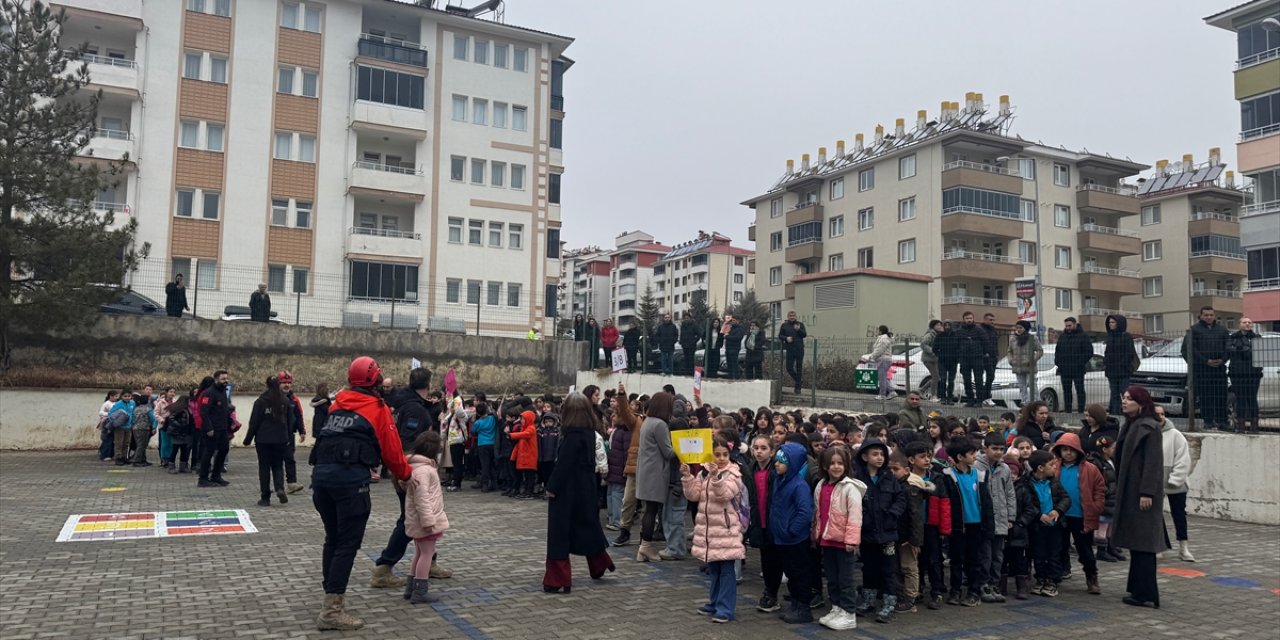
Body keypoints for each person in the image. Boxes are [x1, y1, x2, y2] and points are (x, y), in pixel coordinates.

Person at [309, 356, 412, 631]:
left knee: (332, 539)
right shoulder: (377, 409)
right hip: (350, 483)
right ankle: (331, 610)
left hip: (320, 480)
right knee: (347, 545)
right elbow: (392, 451)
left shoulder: (337, 404)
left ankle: (330, 595)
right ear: (376, 380)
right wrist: (407, 476)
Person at [543, 393, 615, 592]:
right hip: (586, 488)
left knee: (559, 535)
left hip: (567, 492)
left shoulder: (572, 436)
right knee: (586, 525)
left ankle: (558, 579)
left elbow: (563, 466)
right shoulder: (589, 433)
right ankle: (600, 562)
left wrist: (551, 488)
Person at [1111, 385, 1167, 609]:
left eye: (1129, 399)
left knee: (1144, 544)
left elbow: (1153, 463)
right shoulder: (1130, 424)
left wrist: (1147, 492)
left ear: (1141, 403)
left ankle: (1147, 594)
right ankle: (1136, 589)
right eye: (1123, 398)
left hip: (1142, 494)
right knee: (1136, 543)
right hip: (1130, 490)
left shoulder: (1149, 427)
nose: (1124, 402)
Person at [681, 436, 745, 622]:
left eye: (725, 454)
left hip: (726, 530)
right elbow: (694, 496)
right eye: (717, 454)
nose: (722, 458)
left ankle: (725, 608)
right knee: (714, 569)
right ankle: (715, 602)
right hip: (709, 532)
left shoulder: (734, 474)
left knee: (726, 570)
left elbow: (724, 495)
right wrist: (687, 476)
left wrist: (716, 477)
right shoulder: (704, 473)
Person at [851, 437, 905, 622]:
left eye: (882, 454)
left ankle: (889, 603)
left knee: (889, 570)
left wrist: (892, 514)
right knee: (869, 568)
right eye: (875, 454)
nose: (880, 457)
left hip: (887, 534)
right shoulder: (858, 479)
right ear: (865, 457)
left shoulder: (888, 477)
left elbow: (900, 498)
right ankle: (868, 600)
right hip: (867, 534)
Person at [812, 446, 864, 630]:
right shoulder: (821, 485)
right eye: (832, 463)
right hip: (827, 539)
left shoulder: (850, 488)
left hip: (844, 542)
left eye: (840, 463)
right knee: (832, 577)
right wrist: (816, 534)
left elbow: (855, 517)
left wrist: (851, 540)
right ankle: (837, 607)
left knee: (846, 579)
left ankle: (849, 612)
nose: (836, 467)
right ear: (825, 465)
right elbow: (818, 513)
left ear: (846, 465)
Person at [942, 438, 994, 606]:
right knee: (956, 559)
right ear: (960, 457)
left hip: (977, 525)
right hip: (958, 526)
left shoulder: (979, 475)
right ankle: (955, 590)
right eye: (972, 453)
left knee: (974, 559)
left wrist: (989, 525)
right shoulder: (948, 476)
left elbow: (987, 502)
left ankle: (974, 591)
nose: (975, 456)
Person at [1051, 433, 1105, 595]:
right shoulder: (1054, 467)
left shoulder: (1090, 469)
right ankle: (1055, 576)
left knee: (1084, 549)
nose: (1068, 453)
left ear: (1079, 451)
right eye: (1065, 450)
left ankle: (1091, 576)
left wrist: (1096, 506)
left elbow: (1100, 489)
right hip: (1059, 514)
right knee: (1058, 547)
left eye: (1072, 450)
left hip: (1081, 516)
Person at [772, 441, 816, 624]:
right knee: (791, 573)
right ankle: (796, 604)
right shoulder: (779, 480)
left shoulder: (799, 486)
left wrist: (792, 530)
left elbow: (805, 512)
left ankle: (803, 608)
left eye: (782, 461)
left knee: (800, 574)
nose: (777, 464)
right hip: (782, 538)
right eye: (776, 460)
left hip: (795, 539)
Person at [404, 431, 449, 604]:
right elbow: (422, 498)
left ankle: (411, 587)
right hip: (425, 520)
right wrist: (428, 520)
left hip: (419, 519)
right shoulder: (424, 470)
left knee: (420, 552)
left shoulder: (417, 467)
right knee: (427, 554)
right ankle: (420, 591)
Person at [1022, 449, 1070, 597]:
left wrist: (1057, 511)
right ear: (1040, 468)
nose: (1055, 467)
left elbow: (1065, 498)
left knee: (1054, 554)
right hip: (1037, 527)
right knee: (1039, 554)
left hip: (1055, 526)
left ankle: (1052, 581)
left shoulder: (1054, 482)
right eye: (1051, 464)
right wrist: (1038, 515)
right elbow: (1027, 503)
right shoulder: (1027, 483)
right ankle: (1041, 579)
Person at [635, 392, 677, 561]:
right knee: (651, 511)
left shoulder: (647, 421)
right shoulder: (660, 424)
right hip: (655, 473)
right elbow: (668, 452)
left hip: (646, 471)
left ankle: (642, 549)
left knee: (649, 510)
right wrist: (685, 448)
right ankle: (646, 546)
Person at [244, 375, 296, 506]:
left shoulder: (261, 401)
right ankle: (280, 488)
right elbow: (291, 421)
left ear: (266, 385)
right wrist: (288, 437)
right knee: (278, 465)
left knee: (264, 467)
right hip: (280, 439)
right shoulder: (285, 400)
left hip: (263, 439)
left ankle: (265, 497)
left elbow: (254, 422)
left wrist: (248, 439)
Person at [976, 432, 1015, 601]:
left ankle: (994, 583)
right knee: (985, 554)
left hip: (1000, 519)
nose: (998, 452)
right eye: (994, 449)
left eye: (1001, 449)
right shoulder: (976, 467)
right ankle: (982, 584)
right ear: (985, 448)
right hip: (984, 519)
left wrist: (1010, 517)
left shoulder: (1004, 468)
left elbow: (1010, 494)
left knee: (998, 555)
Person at [1183, 307, 1230, 430]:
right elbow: (1188, 350)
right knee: (1206, 397)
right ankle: (1208, 421)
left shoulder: (1222, 330)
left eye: (1211, 315)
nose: (1209, 317)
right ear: (1201, 316)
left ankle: (1222, 422)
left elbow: (1229, 347)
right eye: (1206, 315)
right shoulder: (1194, 330)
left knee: (1221, 396)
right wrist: (1205, 361)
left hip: (1219, 369)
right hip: (1202, 370)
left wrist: (1223, 360)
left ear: (1214, 316)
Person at [888, 451, 924, 615]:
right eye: (890, 469)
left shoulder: (910, 489)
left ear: (907, 470)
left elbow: (915, 516)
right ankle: (899, 594)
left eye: (896, 469)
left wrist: (915, 540)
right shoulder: (892, 487)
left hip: (908, 538)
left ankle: (910, 598)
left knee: (909, 567)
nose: (892, 473)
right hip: (895, 536)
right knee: (895, 566)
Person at [1158, 405, 1194, 562]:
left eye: (1162, 414)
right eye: (1156, 414)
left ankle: (1183, 547)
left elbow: (1183, 459)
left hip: (1175, 482)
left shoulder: (1175, 435)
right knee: (1155, 515)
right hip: (1156, 482)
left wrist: (1175, 480)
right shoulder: (1149, 434)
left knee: (1179, 514)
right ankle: (1158, 546)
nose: (1160, 417)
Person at [198, 371, 233, 487]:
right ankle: (203, 478)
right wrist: (209, 428)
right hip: (211, 429)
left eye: (226, 379)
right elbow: (204, 412)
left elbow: (225, 410)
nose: (226, 381)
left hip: (222, 428)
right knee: (208, 452)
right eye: (223, 379)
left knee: (224, 449)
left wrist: (230, 423)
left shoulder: (223, 392)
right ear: (216, 380)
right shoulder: (209, 393)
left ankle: (216, 475)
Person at [1228, 318, 1263, 433]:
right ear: (1239, 324)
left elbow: (1260, 353)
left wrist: (1240, 350)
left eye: (1249, 322)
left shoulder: (1257, 337)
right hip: (1237, 373)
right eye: (1244, 322)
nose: (1247, 324)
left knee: (1252, 398)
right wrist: (1245, 349)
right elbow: (1229, 351)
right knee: (1241, 399)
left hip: (1253, 374)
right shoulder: (1233, 337)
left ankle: (1254, 425)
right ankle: (1241, 425)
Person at [1054, 317, 1093, 413]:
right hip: (1065, 370)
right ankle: (1068, 411)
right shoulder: (1062, 336)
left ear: (1075, 324)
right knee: (1066, 392)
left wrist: (1079, 363)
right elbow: (1057, 351)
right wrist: (1058, 363)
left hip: (1078, 369)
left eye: (1070, 325)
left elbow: (1089, 352)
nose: (1068, 328)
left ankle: (1080, 411)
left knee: (1080, 391)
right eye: (1066, 326)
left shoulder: (1083, 336)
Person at [1103, 315, 1139, 416]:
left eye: (1113, 322)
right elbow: (1107, 353)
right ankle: (1115, 414)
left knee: (1125, 394)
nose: (1111, 325)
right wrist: (1106, 364)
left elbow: (1129, 353)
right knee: (1114, 394)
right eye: (1109, 322)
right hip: (1112, 372)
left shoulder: (1126, 336)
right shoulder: (1110, 337)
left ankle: (1126, 413)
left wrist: (1121, 365)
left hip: (1123, 372)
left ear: (1119, 323)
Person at [1007, 321, 1043, 405]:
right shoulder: (1013, 339)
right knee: (1021, 386)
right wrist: (1011, 360)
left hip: (1029, 366)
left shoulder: (1033, 338)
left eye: (1020, 328)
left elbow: (1040, 351)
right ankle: (1024, 402)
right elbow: (1009, 351)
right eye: (1017, 327)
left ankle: (1036, 402)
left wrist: (1031, 359)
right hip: (1017, 366)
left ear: (1026, 328)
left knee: (1032, 384)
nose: (1018, 330)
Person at [954, 312, 985, 407]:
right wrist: (959, 354)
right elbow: (956, 344)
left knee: (978, 380)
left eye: (970, 318)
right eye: (967, 318)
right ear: (964, 319)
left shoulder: (979, 330)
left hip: (977, 358)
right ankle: (970, 400)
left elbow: (985, 342)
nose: (969, 320)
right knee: (966, 380)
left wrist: (985, 354)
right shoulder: (959, 331)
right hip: (964, 359)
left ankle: (979, 401)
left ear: (973, 318)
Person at [165, 391, 196, 474]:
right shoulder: (180, 409)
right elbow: (171, 418)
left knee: (184, 450)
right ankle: (171, 466)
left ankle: (183, 466)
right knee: (175, 449)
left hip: (184, 433)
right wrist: (179, 425)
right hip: (177, 432)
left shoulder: (186, 409)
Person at [779, 311, 808, 394]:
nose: (792, 317)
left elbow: (804, 335)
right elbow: (780, 336)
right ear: (788, 317)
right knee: (789, 368)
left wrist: (798, 330)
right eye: (790, 316)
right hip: (790, 349)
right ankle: (799, 380)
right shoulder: (784, 325)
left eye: (793, 316)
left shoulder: (800, 324)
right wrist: (786, 338)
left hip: (799, 349)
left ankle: (797, 388)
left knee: (799, 368)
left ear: (796, 316)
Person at [978, 313, 1000, 407]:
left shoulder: (993, 330)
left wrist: (996, 355)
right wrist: (984, 353)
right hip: (983, 357)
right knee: (981, 377)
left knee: (990, 377)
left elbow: (995, 344)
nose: (992, 322)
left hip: (993, 357)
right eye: (990, 320)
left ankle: (987, 397)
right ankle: (982, 397)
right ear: (985, 319)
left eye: (993, 320)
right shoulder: (980, 330)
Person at [936, 320, 959, 404]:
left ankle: (949, 397)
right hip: (942, 361)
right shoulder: (940, 336)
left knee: (951, 380)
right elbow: (935, 347)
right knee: (943, 379)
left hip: (953, 361)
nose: (947, 327)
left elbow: (959, 347)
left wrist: (957, 357)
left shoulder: (956, 336)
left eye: (949, 325)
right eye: (946, 325)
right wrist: (939, 354)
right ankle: (942, 397)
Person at [130, 393, 156, 467]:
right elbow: (153, 419)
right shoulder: (148, 409)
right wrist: (154, 427)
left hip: (135, 429)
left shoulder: (136, 409)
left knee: (140, 444)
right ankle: (137, 460)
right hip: (144, 429)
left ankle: (143, 459)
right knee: (142, 445)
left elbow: (132, 419)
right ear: (147, 401)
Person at [870, 325, 894, 400]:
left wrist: (872, 356)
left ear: (880, 331)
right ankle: (891, 391)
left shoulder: (883, 339)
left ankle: (883, 394)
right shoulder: (886, 338)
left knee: (882, 378)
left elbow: (879, 350)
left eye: (878, 330)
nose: (877, 332)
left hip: (883, 360)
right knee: (883, 377)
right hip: (886, 360)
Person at [920, 320, 942, 401]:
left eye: (940, 325)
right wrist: (933, 351)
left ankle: (921, 390)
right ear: (933, 326)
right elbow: (923, 344)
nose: (939, 326)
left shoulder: (938, 335)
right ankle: (933, 396)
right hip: (929, 359)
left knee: (937, 377)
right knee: (935, 377)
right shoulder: (930, 334)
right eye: (937, 325)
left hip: (935, 359)